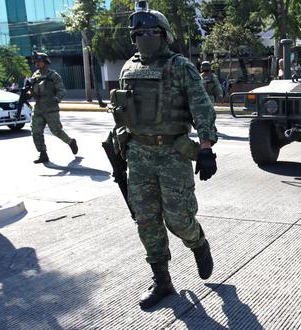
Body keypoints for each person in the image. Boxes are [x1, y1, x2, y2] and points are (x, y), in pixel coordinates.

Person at [110, 5, 218, 309]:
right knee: (146, 221)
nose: (145, 37)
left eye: (151, 32)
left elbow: (202, 108)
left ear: (164, 35)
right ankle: (162, 281)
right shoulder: (128, 69)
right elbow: (122, 111)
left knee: (179, 219)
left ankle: (197, 242)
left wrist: (206, 148)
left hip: (173, 153)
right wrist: (120, 143)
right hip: (138, 155)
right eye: (139, 33)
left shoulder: (179, 66)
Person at [29, 52, 78, 163]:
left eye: (39, 62)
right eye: (35, 62)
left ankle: (71, 142)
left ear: (45, 62)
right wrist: (28, 93)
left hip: (51, 109)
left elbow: (61, 90)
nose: (37, 64)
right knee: (36, 132)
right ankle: (43, 154)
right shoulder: (34, 76)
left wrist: (56, 99)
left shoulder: (53, 76)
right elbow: (32, 91)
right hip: (38, 109)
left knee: (56, 131)